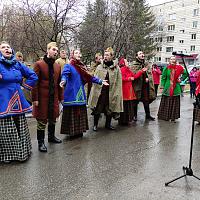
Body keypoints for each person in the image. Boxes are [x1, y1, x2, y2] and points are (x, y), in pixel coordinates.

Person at [0, 41, 38, 163]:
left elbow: (33, 76)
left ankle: (22, 153)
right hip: (3, 100)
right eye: (3, 47)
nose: (7, 49)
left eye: (8, 47)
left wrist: (25, 86)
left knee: (19, 126)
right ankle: (7, 156)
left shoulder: (17, 64)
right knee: (6, 129)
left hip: (18, 100)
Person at [59, 49, 108, 139]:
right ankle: (72, 132)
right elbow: (64, 75)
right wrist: (63, 80)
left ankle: (79, 131)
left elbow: (90, 77)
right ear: (72, 55)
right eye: (76, 53)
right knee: (72, 113)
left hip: (80, 93)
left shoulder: (81, 67)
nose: (78, 54)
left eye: (79, 53)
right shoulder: (68, 66)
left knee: (80, 113)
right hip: (71, 93)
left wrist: (100, 81)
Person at [32, 42, 63, 153]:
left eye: (57, 50)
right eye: (54, 49)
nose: (56, 52)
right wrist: (35, 99)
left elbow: (59, 83)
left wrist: (61, 97)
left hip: (53, 97)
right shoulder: (39, 64)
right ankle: (41, 142)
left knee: (53, 118)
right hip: (42, 98)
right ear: (48, 50)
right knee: (41, 120)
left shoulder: (57, 66)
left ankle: (51, 137)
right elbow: (34, 83)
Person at [88, 47, 123, 131]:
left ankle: (108, 124)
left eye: (107, 55)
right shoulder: (100, 67)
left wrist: (117, 92)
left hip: (111, 91)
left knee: (110, 108)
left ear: (111, 56)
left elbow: (119, 81)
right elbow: (95, 80)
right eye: (104, 55)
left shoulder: (116, 68)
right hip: (100, 91)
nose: (105, 56)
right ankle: (95, 125)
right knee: (98, 108)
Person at [118, 57, 147, 125]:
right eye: (126, 61)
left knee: (128, 105)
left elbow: (134, 76)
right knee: (125, 105)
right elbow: (121, 78)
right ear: (123, 63)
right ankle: (123, 120)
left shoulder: (128, 69)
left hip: (129, 89)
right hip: (124, 89)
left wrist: (141, 71)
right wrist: (129, 78)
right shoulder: (122, 69)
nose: (128, 62)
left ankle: (127, 120)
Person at [157, 56, 187, 122]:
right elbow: (163, 78)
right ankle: (165, 116)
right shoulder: (166, 68)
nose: (172, 60)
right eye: (171, 59)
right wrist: (162, 85)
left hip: (176, 88)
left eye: (174, 59)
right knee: (167, 101)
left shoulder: (179, 68)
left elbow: (186, 73)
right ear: (169, 60)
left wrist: (181, 79)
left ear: (176, 60)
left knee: (174, 102)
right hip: (167, 87)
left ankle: (173, 116)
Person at [130, 51, 156, 121]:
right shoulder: (134, 65)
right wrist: (141, 72)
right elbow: (133, 74)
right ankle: (134, 115)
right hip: (137, 86)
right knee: (135, 101)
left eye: (142, 53)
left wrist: (148, 78)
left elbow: (149, 74)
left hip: (145, 86)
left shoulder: (146, 64)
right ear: (137, 56)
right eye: (140, 54)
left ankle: (148, 115)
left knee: (146, 101)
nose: (142, 55)